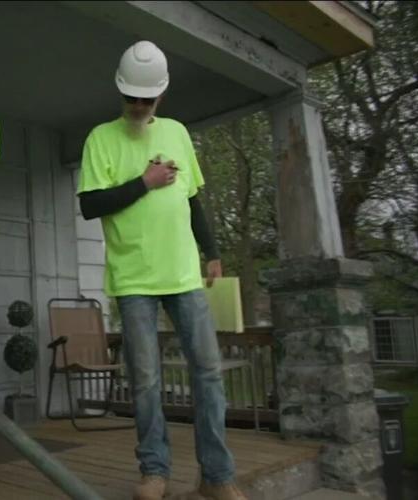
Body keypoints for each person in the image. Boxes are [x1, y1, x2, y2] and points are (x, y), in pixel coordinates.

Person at [77, 40, 247, 500]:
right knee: (147, 380)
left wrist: (210, 249)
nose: (138, 106)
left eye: (145, 99)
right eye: (131, 97)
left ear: (160, 96)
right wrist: (145, 183)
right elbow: (90, 204)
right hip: (133, 281)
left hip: (183, 276)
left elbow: (192, 199)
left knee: (208, 373)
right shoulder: (101, 139)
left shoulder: (176, 133)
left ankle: (216, 476)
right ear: (120, 90)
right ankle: (154, 471)